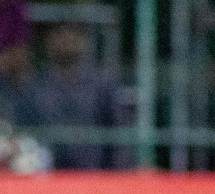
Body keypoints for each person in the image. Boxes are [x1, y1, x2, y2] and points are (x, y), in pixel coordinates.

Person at [11, 23, 133, 170]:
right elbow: (20, 131)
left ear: (85, 42)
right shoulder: (32, 86)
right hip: (44, 174)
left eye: (73, 33)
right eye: (59, 33)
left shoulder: (102, 85)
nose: (66, 39)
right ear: (47, 42)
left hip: (93, 175)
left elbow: (118, 133)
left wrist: (118, 176)